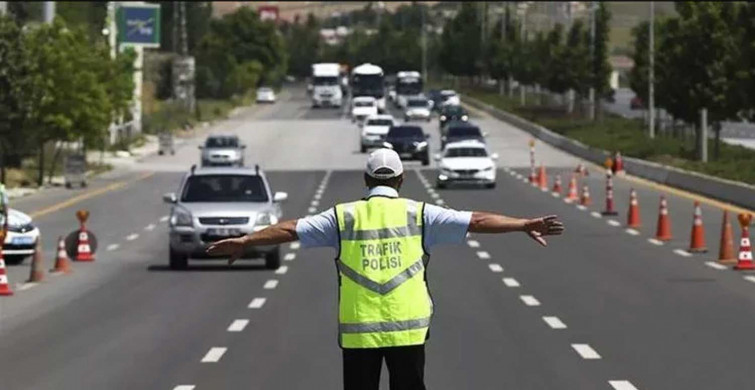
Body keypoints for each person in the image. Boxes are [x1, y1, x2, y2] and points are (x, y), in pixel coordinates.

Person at [207, 148, 565, 390]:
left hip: (359, 333)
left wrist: (246, 240)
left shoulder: (342, 217)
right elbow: (477, 219)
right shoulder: (421, 214)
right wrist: (522, 224)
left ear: (365, 180)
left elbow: (289, 229)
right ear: (401, 179)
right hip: (408, 331)